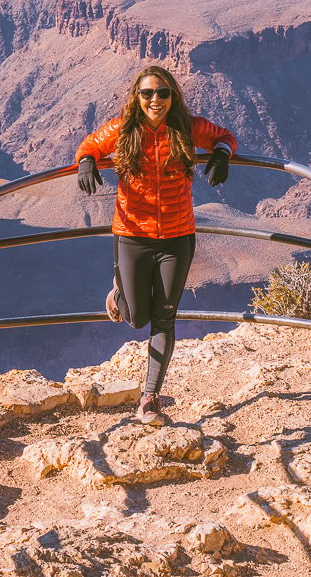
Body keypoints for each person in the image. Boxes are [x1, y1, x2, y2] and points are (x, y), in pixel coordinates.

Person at [75, 65, 237, 427]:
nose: (155, 100)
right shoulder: (122, 129)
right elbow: (89, 144)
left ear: (172, 96)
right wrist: (86, 160)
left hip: (178, 238)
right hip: (132, 235)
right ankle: (118, 295)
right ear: (137, 96)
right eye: (147, 93)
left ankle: (150, 398)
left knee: (164, 317)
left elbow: (225, 136)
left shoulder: (187, 126)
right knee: (137, 319)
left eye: (163, 93)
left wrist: (223, 153)